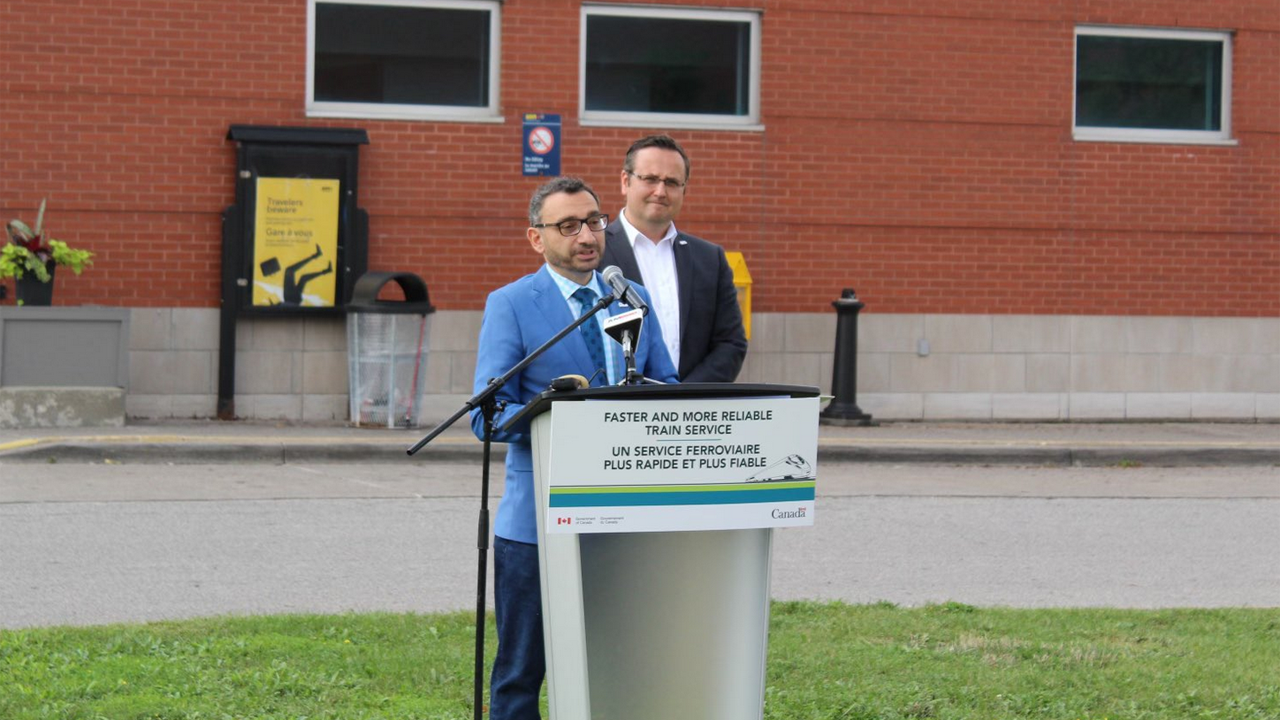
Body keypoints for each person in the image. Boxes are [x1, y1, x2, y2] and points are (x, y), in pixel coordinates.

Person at [470, 176, 678, 720]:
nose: (586, 236)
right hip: (537, 524)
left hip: (624, 517)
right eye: (568, 226)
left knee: (617, 660)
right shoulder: (512, 304)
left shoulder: (630, 297)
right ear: (536, 238)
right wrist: (556, 411)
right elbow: (486, 415)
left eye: (593, 221)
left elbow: (668, 386)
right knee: (521, 671)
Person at [601, 134, 748, 383]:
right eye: (650, 179)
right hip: (615, 402)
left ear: (684, 190)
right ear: (626, 181)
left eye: (671, 182)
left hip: (691, 404)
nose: (660, 191)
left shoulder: (710, 260)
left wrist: (683, 396)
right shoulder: (594, 253)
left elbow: (730, 343)